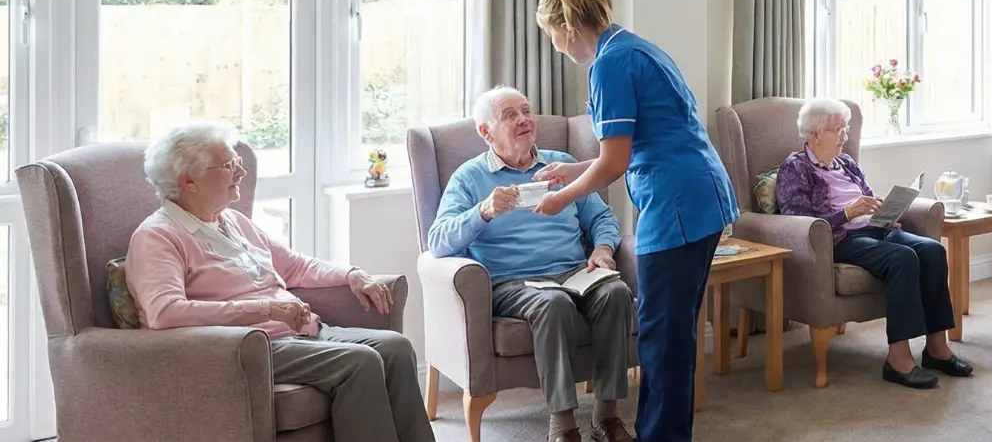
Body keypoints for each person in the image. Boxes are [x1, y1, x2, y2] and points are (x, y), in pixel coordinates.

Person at [530, 0, 738, 442]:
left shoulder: (608, 64)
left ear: (564, 27)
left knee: (661, 338)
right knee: (675, 334)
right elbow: (626, 146)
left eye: (552, 36)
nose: (556, 47)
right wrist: (572, 169)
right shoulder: (632, 46)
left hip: (676, 204)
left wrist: (562, 194)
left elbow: (615, 162)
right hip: (702, 193)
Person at [125, 122, 430, 442]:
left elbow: (295, 266)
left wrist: (352, 274)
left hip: (298, 333)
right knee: (360, 363)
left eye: (237, 162)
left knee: (395, 347)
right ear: (188, 181)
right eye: (229, 165)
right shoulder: (158, 236)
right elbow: (165, 312)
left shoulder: (231, 220)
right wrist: (266, 310)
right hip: (245, 348)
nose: (240, 172)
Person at [427, 86, 632, 442]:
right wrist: (483, 211)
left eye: (526, 111)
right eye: (510, 115)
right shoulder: (469, 177)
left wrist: (602, 249)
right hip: (514, 282)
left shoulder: (559, 165)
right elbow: (438, 241)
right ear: (485, 132)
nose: (524, 119)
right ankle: (563, 425)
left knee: (616, 292)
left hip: (573, 271)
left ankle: (606, 417)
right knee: (553, 304)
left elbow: (601, 217)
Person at [774, 97, 972, 389]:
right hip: (840, 239)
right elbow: (799, 223)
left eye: (846, 129)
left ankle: (936, 348)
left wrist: (885, 212)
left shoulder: (847, 163)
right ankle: (898, 359)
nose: (845, 136)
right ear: (815, 134)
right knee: (902, 258)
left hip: (875, 229)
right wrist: (847, 213)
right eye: (838, 130)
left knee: (932, 250)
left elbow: (868, 196)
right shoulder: (795, 168)